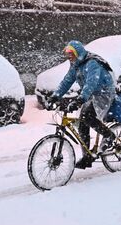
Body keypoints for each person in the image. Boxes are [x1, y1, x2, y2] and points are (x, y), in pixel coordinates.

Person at [49, 40, 117, 169]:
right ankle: (87, 156)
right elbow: (67, 81)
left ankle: (109, 136)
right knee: (82, 122)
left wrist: (81, 99)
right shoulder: (76, 65)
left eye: (71, 54)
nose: (69, 57)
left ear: (78, 53)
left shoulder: (92, 63)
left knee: (88, 117)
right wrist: (55, 95)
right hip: (92, 94)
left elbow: (91, 83)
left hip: (104, 92)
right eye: (67, 54)